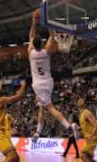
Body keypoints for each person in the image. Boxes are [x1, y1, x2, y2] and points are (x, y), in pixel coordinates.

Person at [28, 11, 73, 142]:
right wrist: (47, 23)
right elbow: (52, 37)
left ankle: (68, 126)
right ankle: (38, 132)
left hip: (38, 84)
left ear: (32, 44)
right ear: (41, 44)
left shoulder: (30, 53)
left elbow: (31, 37)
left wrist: (33, 23)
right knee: (42, 107)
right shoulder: (47, 51)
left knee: (49, 107)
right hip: (47, 82)